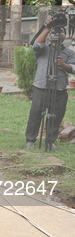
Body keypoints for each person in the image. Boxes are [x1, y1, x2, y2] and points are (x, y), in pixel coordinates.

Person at [25, 17, 75, 149]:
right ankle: (30, 139)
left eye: (60, 32)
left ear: (65, 36)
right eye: (54, 32)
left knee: (56, 116)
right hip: (41, 87)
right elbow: (36, 45)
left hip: (59, 89)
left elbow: (74, 68)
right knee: (36, 114)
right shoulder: (43, 49)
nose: (57, 34)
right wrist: (48, 27)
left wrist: (63, 65)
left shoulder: (69, 52)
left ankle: (50, 141)